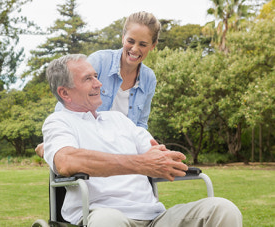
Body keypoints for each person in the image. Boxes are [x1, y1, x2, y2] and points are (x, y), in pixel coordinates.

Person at [42, 54, 243, 226]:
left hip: (154, 217)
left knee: (223, 209)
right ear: (64, 92)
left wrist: (162, 160)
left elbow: (157, 156)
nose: (99, 83)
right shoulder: (59, 122)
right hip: (103, 213)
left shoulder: (120, 120)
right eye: (88, 79)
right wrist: (140, 164)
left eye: (96, 76)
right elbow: (66, 161)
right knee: (108, 221)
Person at [36, 11, 160, 158]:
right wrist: (57, 138)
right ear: (123, 38)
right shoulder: (99, 61)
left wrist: (147, 146)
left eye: (143, 44)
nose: (134, 49)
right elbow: (68, 101)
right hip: (91, 144)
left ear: (153, 45)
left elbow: (140, 123)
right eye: (130, 41)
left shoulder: (149, 78)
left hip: (124, 149)